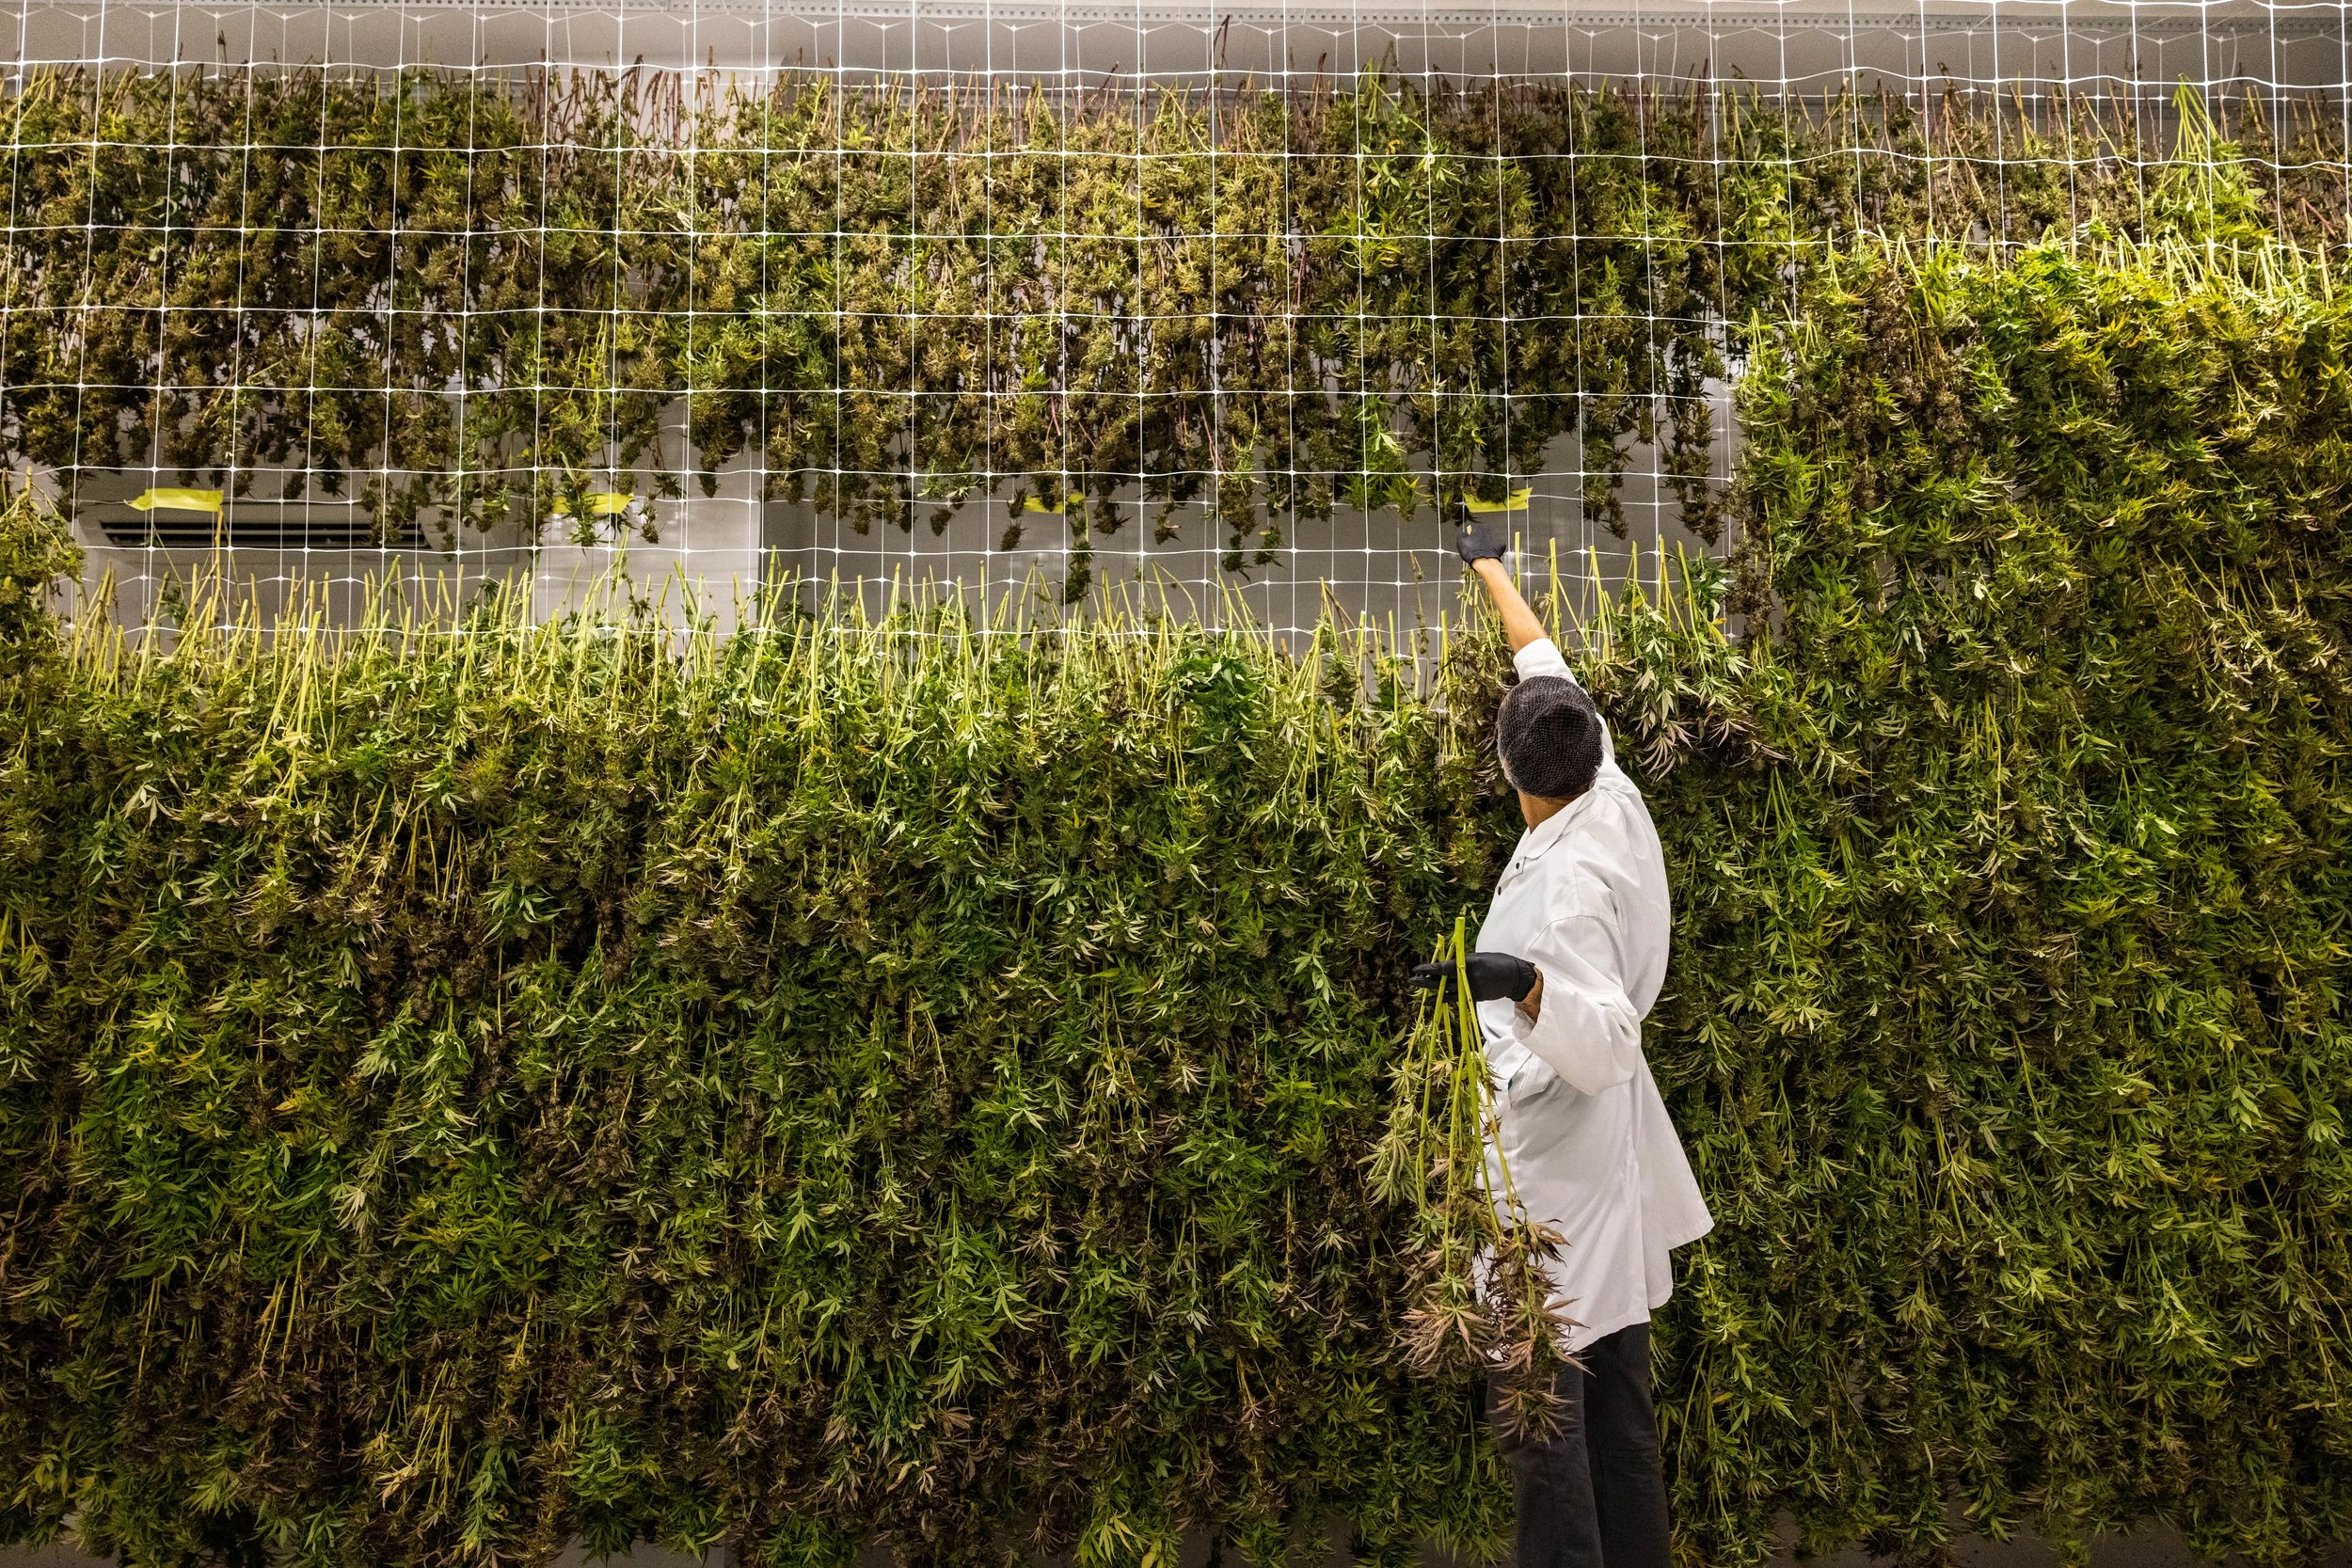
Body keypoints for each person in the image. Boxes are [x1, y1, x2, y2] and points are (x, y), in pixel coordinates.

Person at [1410, 525, 1713, 1568]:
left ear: (1508, 768)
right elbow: (1540, 662)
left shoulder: (1567, 890)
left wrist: (1521, 982)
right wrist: (1489, 564)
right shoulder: (1604, 780)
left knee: (1542, 1408)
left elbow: (1606, 1042)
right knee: (1618, 1399)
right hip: (1596, 1169)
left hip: (1558, 1175)